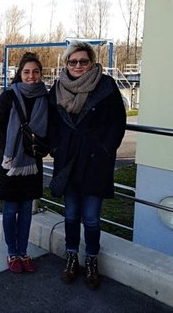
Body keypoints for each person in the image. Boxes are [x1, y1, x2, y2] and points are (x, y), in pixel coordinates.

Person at [48, 41, 126, 289]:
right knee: (71, 214)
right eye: (73, 61)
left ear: (91, 62)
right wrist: (56, 148)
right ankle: (71, 257)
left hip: (95, 160)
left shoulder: (106, 86)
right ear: (66, 64)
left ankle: (92, 260)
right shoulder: (58, 88)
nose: (78, 65)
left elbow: (117, 122)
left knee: (91, 218)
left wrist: (105, 149)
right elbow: (51, 125)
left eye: (83, 61)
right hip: (68, 160)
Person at [0, 52, 49, 273]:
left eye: (35, 72)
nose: (31, 76)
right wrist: (13, 148)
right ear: (20, 74)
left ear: (41, 74)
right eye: (27, 72)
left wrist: (38, 145)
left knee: (26, 210)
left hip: (33, 162)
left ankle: (23, 252)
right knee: (10, 210)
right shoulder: (8, 96)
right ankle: (12, 253)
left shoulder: (46, 97)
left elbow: (50, 128)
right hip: (11, 163)